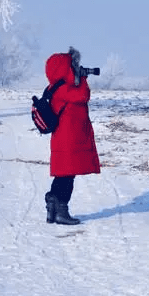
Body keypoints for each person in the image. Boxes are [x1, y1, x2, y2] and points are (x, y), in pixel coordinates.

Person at [44, 46, 101, 225]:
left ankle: (52, 205)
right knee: (67, 176)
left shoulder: (55, 87)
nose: (76, 68)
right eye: (72, 66)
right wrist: (82, 78)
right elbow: (83, 95)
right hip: (69, 139)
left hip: (64, 138)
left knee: (63, 174)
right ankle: (61, 210)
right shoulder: (64, 88)